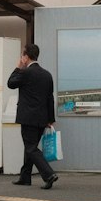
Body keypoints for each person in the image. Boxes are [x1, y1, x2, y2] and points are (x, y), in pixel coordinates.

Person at [7, 42, 59, 189]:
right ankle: (25, 177)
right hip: (42, 118)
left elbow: (10, 83)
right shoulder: (47, 74)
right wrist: (50, 119)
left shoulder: (25, 73)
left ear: (26, 57)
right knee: (30, 147)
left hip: (28, 118)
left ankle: (49, 174)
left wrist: (18, 67)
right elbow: (50, 98)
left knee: (31, 148)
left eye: (22, 55)